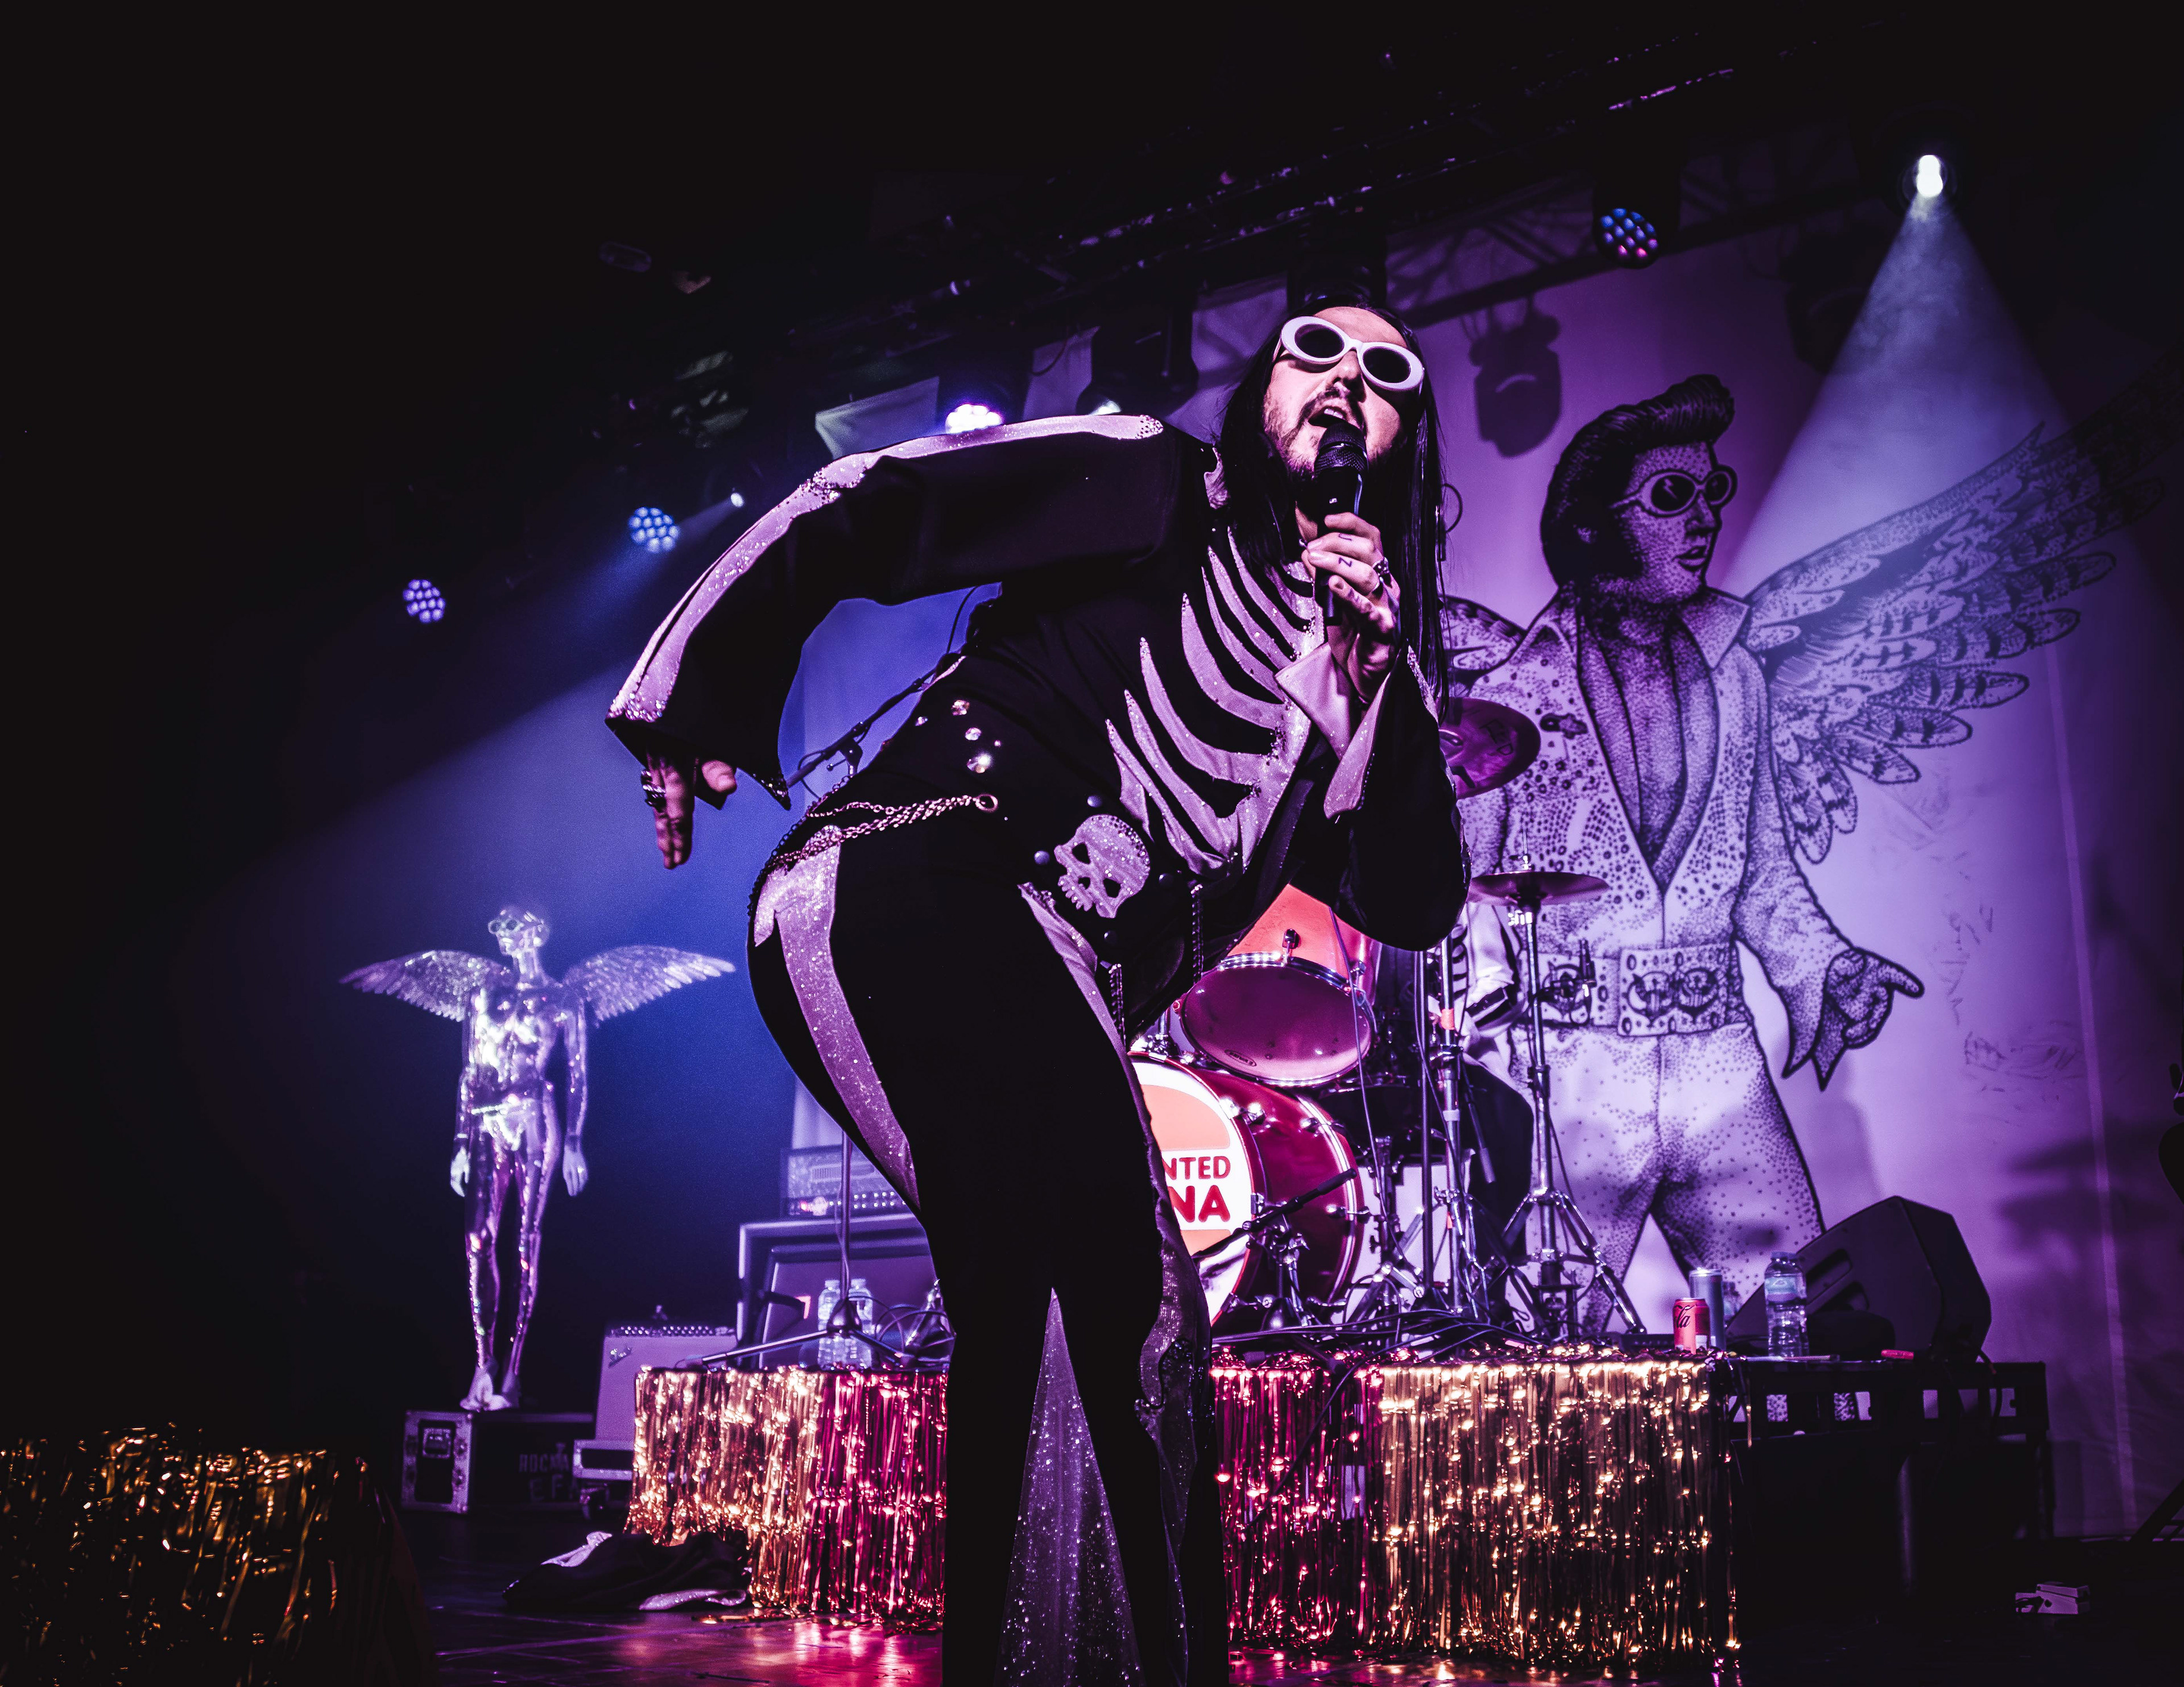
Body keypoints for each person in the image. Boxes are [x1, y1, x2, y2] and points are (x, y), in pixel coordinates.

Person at [607, 301, 1466, 1685]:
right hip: (915, 874)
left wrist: (1374, 692)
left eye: (1386, 375)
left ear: (1402, 441)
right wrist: (696, 691)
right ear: (1262, 386)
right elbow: (875, 501)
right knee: (1130, 1300)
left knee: (1057, 1314)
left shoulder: (1345, 670)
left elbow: (1415, 898)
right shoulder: (1152, 477)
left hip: (1045, 975)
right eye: (1315, 348)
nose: (1344, 382)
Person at [1455, 376, 1917, 1331]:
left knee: (1797, 1322)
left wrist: (1827, 964)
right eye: (1672, 496)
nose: (1704, 517)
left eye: (1714, 491)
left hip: (1721, 1062)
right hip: (1573, 1066)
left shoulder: (1737, 674)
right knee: (1554, 1349)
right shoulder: (1511, 692)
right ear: (1591, 524)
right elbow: (1468, 890)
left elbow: (1761, 866)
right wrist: (1495, 1034)